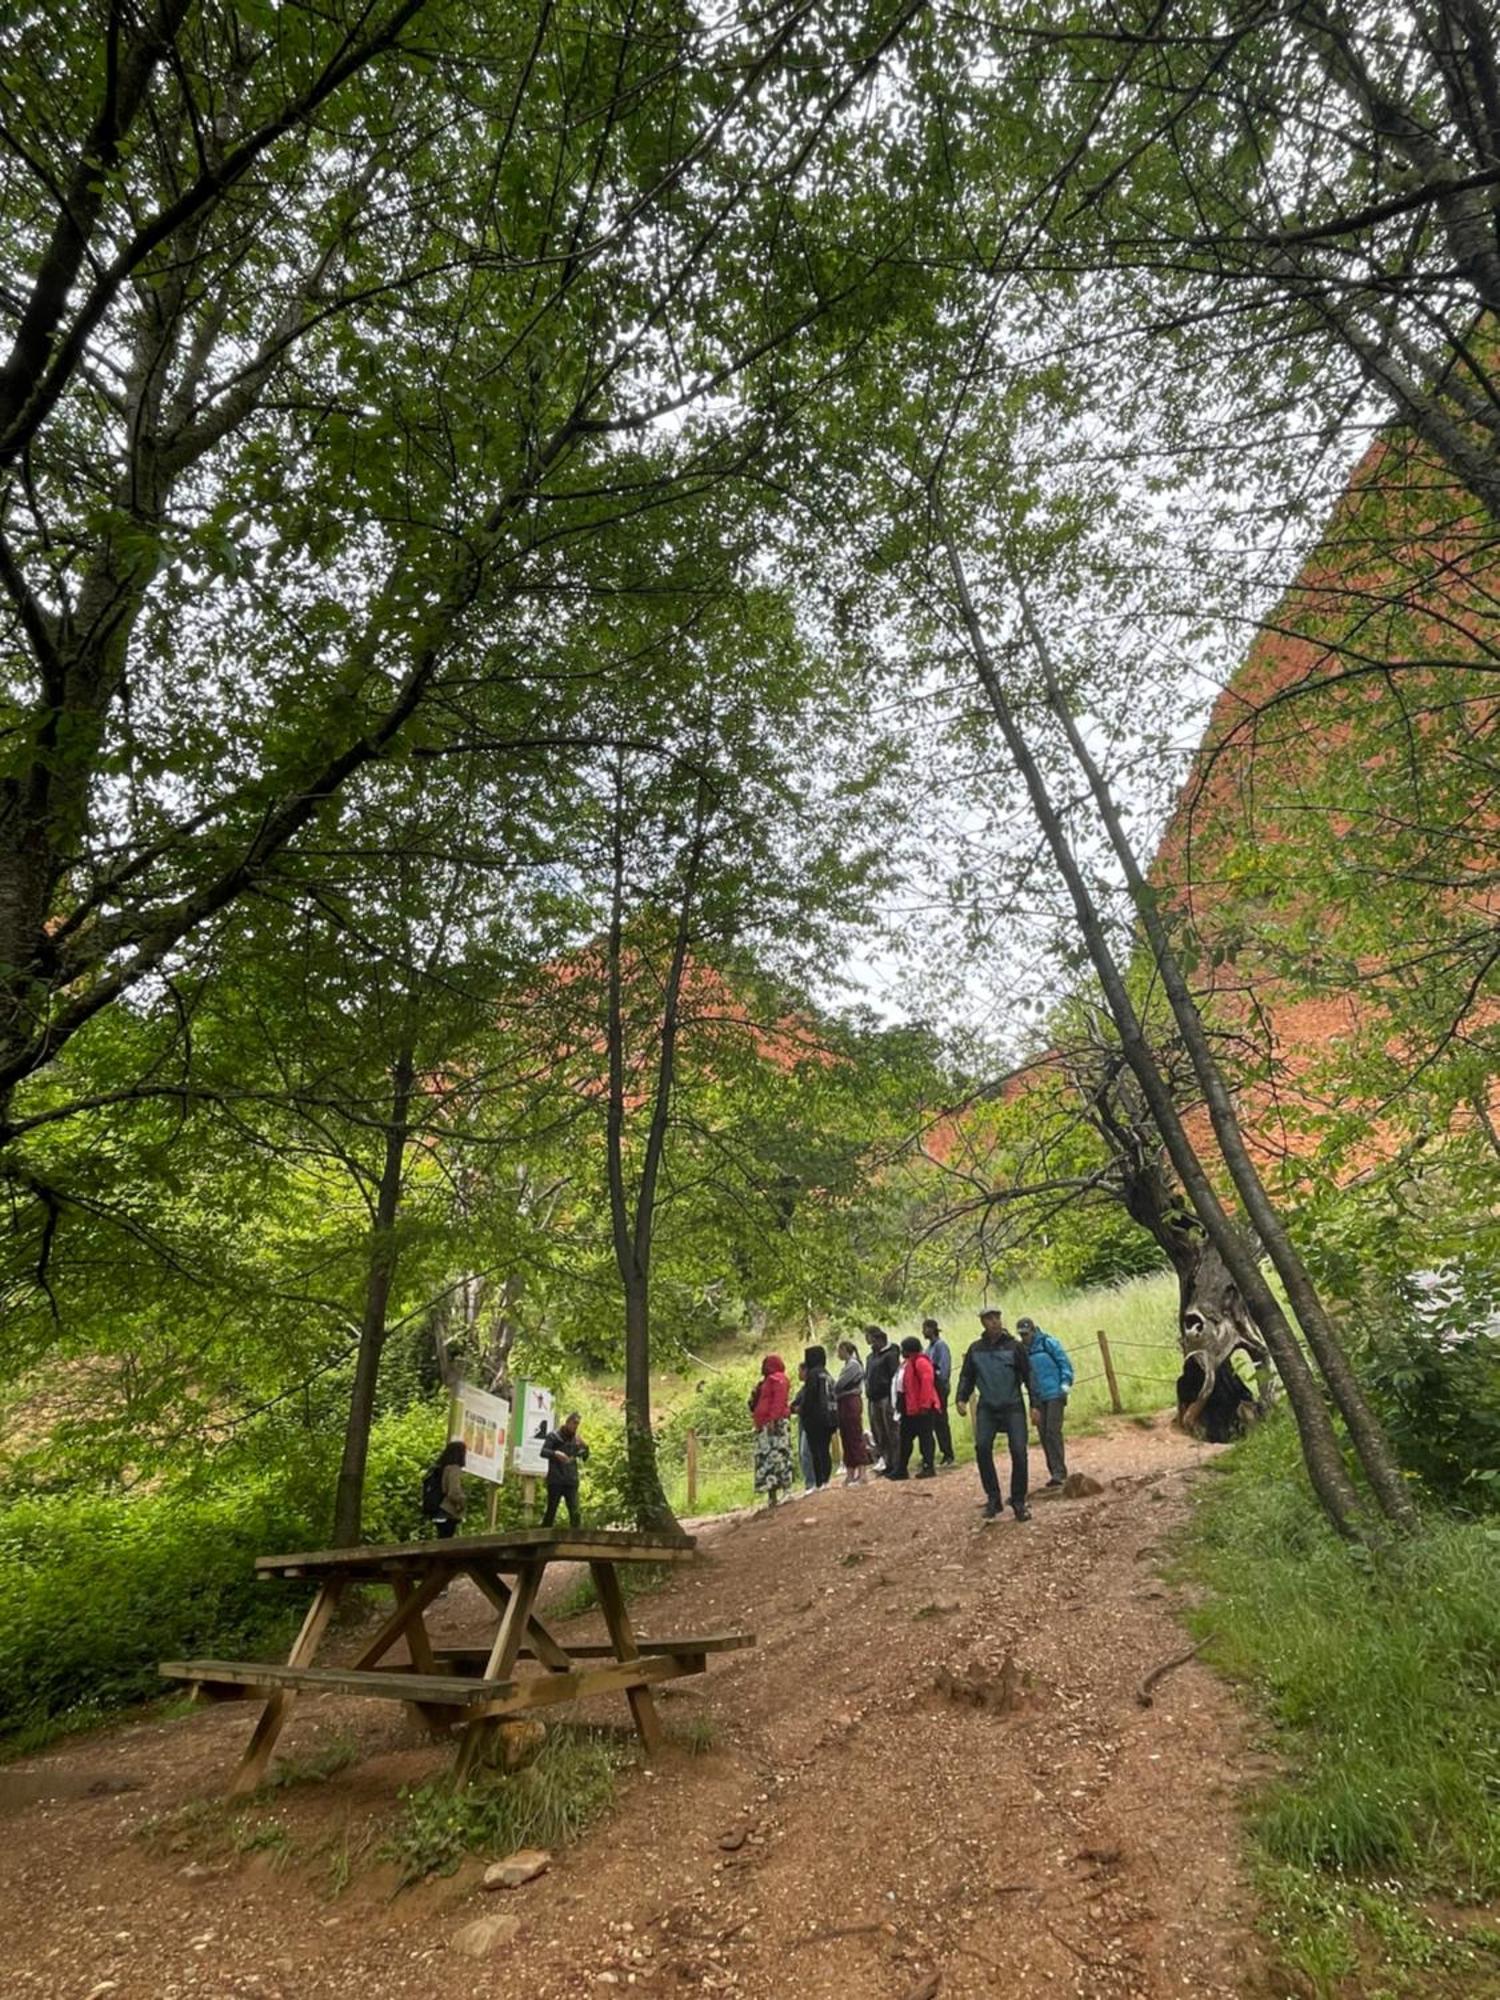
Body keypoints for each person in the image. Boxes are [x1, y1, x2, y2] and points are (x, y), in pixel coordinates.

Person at [956, 1310, 1033, 1521]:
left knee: (1018, 1450)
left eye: (997, 1318)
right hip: (987, 1407)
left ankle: (1018, 1501)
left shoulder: (1015, 1346)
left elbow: (1028, 1376)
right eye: (990, 1319)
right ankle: (993, 1498)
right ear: (983, 1322)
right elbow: (967, 1377)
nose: (995, 1322)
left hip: (1013, 1405)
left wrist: (1035, 1405)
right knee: (982, 1447)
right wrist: (961, 1399)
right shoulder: (975, 1349)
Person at [1016, 1316, 1074, 1486]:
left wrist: (1065, 1383)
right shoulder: (1022, 1351)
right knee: (1043, 1434)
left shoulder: (1048, 1343)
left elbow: (1064, 1363)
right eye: (1022, 1334)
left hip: (1055, 1393)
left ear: (1033, 1330)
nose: (1025, 1337)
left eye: (1027, 1333)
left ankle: (1059, 1471)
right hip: (1038, 1397)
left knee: (1052, 1431)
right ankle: (1054, 1471)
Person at [889, 1334, 940, 1479]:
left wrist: (924, 1404)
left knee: (925, 1438)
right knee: (905, 1438)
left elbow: (927, 1382)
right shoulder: (907, 1363)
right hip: (909, 1407)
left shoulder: (920, 1362)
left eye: (903, 1349)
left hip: (922, 1407)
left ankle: (928, 1466)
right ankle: (901, 1468)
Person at [749, 1353, 794, 1507]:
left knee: (780, 1456)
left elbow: (778, 1401)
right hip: (765, 1425)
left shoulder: (778, 1379)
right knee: (766, 1459)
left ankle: (787, 1491)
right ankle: (771, 1495)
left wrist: (773, 1419)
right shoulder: (768, 1381)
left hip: (775, 1425)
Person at [794, 1344, 837, 1489]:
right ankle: (826, 1479)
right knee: (825, 1450)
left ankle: (820, 1481)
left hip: (815, 1418)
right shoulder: (826, 1373)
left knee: (815, 1451)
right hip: (829, 1418)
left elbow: (809, 1397)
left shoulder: (813, 1374)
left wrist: (801, 1409)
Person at [540, 1411, 589, 1527]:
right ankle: (544, 1535)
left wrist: (585, 1448)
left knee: (575, 1512)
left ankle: (576, 1539)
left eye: (577, 1424)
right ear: (568, 1422)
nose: (575, 1426)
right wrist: (555, 1453)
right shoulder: (553, 1436)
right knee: (551, 1512)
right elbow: (543, 1452)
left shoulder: (576, 1439)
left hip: (571, 1481)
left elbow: (585, 1457)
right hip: (556, 1480)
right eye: (574, 1423)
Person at [833, 1340, 871, 1485]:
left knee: (854, 1435)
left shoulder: (853, 1365)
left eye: (839, 1350)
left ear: (844, 1350)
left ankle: (862, 1473)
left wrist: (836, 1388)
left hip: (851, 1401)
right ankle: (850, 1472)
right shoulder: (848, 1365)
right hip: (844, 1402)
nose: (838, 1354)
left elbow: (839, 1385)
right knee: (846, 1437)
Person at [863, 1325, 899, 1472]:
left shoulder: (890, 1354)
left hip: (886, 1396)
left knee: (891, 1429)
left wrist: (894, 1397)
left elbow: (894, 1376)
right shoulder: (870, 1357)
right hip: (873, 1398)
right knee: (878, 1431)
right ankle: (886, 1460)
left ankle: (896, 1462)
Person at [924, 1317, 955, 1465]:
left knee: (941, 1421)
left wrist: (938, 1380)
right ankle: (943, 1452)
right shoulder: (928, 1348)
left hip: (939, 1388)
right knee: (935, 1422)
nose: (923, 1331)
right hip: (931, 1389)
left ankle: (948, 1453)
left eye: (925, 1328)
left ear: (931, 1329)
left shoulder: (940, 1346)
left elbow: (944, 1368)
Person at [423, 1439, 466, 1539]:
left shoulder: (440, 1468)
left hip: (438, 1509)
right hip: (448, 1510)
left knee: (441, 1537)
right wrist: (462, 1502)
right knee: (447, 1539)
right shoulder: (454, 1469)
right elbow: (453, 1492)